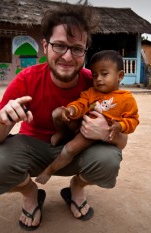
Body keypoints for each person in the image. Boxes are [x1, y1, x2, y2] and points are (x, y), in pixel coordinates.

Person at [0, 1, 128, 231]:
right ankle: (30, 194)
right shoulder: (26, 79)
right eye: (59, 46)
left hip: (76, 151)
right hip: (33, 149)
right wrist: (2, 120)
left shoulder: (95, 82)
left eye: (77, 48)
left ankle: (76, 187)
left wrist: (105, 132)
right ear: (45, 46)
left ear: (84, 52)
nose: (67, 56)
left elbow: (122, 141)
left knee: (109, 160)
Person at [35, 50, 139, 185]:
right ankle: (61, 133)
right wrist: (71, 109)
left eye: (104, 74)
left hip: (98, 135)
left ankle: (49, 170)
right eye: (95, 76)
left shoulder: (127, 99)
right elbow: (81, 104)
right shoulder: (91, 93)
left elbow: (133, 120)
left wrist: (120, 126)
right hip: (84, 126)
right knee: (57, 113)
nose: (99, 79)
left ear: (120, 76)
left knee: (70, 149)